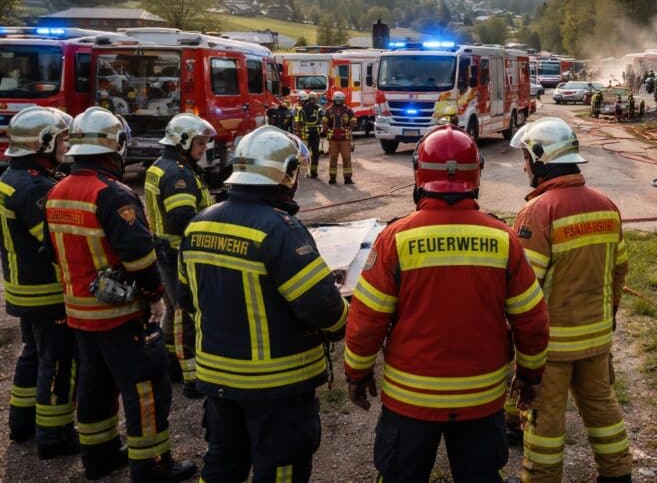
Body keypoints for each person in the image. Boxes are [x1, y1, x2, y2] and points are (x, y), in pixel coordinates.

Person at [344, 124, 549, 482]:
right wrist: (530, 375)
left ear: (418, 173)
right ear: (476, 174)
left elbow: (366, 320)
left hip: (410, 399)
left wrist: (357, 374)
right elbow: (531, 319)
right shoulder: (503, 239)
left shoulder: (395, 239)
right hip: (481, 398)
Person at [178, 126, 347, 483]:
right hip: (277, 384)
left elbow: (187, 299)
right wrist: (340, 321)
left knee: (223, 463)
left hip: (216, 377)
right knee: (280, 468)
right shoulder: (280, 229)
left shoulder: (197, 225)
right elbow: (323, 309)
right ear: (287, 173)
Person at [45, 107, 196, 482]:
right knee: (146, 389)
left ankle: (98, 456)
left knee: (95, 385)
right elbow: (140, 256)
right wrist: (154, 294)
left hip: (80, 313)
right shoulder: (112, 194)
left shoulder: (57, 191)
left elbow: (52, 251)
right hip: (121, 315)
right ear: (115, 146)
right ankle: (152, 464)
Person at [510, 117, 632, 483]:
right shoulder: (606, 206)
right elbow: (619, 271)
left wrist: (516, 344)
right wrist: (607, 317)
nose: (524, 167)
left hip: (550, 348)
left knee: (543, 420)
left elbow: (523, 289)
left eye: (526, 159)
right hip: (596, 338)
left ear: (540, 159)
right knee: (602, 408)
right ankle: (618, 474)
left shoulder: (538, 211)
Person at [1, 107, 79, 459]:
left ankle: (22, 423)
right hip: (46, 292)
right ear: (43, 142)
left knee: (33, 354)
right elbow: (56, 244)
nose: (66, 145)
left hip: (22, 288)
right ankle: (53, 435)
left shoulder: (11, 176)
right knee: (58, 361)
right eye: (62, 139)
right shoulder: (36, 187)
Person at [143, 113, 215, 399]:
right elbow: (182, 218)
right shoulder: (178, 174)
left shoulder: (161, 166)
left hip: (164, 251)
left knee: (173, 310)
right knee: (187, 313)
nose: (204, 148)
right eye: (200, 143)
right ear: (183, 141)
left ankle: (171, 363)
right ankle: (192, 378)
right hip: (179, 255)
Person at [323, 91, 356, 185]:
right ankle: (332, 178)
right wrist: (326, 130)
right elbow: (325, 123)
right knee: (333, 158)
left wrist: (350, 127)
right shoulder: (329, 110)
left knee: (346, 158)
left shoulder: (348, 110)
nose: (338, 102)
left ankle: (348, 178)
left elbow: (353, 120)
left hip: (344, 139)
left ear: (343, 100)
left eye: (340, 100)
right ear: (333, 100)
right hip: (333, 139)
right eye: (337, 100)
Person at [294, 91, 324, 178]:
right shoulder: (316, 108)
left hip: (308, 134)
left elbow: (298, 122)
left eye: (313, 99)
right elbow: (322, 119)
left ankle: (307, 172)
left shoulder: (302, 109)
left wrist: (298, 132)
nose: (312, 100)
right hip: (312, 134)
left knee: (307, 153)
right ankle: (310, 172)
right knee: (312, 153)